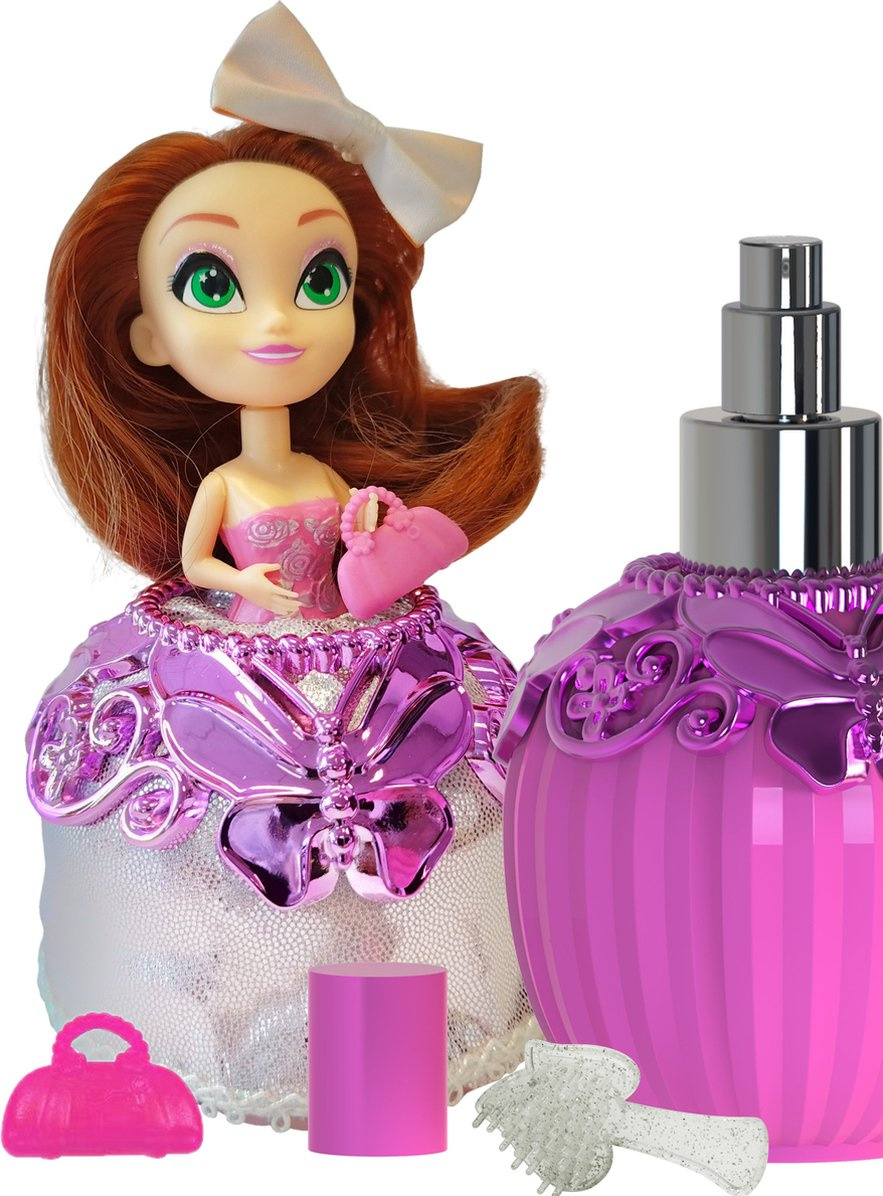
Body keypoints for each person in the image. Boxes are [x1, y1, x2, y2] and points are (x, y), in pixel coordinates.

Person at [28, 5, 542, 1127]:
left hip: (364, 639)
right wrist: (244, 589)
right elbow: (200, 555)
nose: (279, 320)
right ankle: (203, 1021)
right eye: (214, 285)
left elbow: (355, 538)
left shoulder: (316, 472)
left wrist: (372, 539)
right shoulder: (227, 484)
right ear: (147, 333)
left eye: (317, 280)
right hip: (241, 646)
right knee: (207, 840)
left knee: (434, 794)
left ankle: (402, 1012)